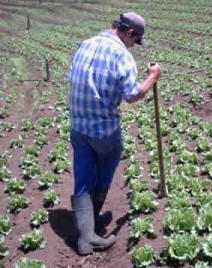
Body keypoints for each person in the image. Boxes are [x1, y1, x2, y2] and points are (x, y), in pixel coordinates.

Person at [68, 12, 161, 255]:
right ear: (130, 33)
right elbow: (132, 96)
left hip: (78, 126)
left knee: (83, 175)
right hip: (104, 131)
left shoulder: (85, 44)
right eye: (135, 40)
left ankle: (87, 231)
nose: (133, 45)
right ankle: (90, 232)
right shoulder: (121, 55)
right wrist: (152, 77)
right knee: (103, 171)